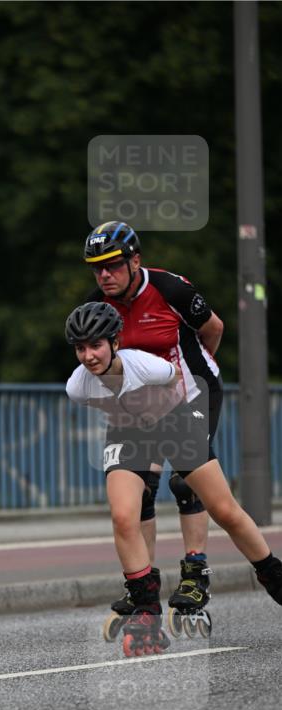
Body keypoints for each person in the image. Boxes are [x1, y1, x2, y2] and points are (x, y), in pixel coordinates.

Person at [64, 301, 282, 654]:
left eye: (96, 345)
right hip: (127, 433)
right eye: (80, 348)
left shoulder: (145, 365)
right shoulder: (77, 386)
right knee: (124, 516)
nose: (88, 356)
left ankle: (274, 576)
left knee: (224, 510)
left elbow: (179, 380)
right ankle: (146, 609)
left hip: (174, 422)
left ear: (115, 342)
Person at [82, 221, 223, 630]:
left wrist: (194, 370)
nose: (104, 275)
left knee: (186, 481)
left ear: (135, 261)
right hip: (143, 406)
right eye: (97, 268)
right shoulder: (98, 305)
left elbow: (213, 328)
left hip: (194, 393)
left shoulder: (171, 289)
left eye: (113, 265)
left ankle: (195, 575)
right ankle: (143, 584)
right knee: (141, 488)